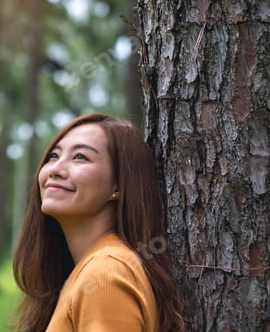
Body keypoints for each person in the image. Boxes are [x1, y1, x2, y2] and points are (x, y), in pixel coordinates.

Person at [12, 113, 185, 332]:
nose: (55, 169)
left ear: (118, 185)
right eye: (54, 156)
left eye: (80, 157)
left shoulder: (105, 274)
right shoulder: (91, 269)